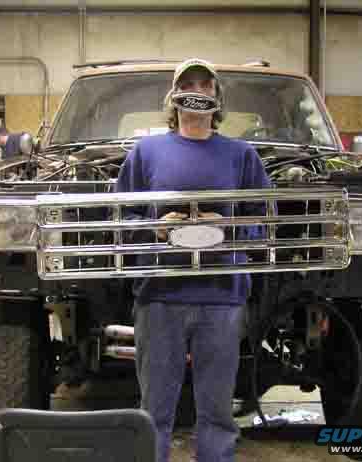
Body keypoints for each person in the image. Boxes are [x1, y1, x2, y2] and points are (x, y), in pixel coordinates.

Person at [116, 58, 270, 462]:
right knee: (154, 410)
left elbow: (265, 222)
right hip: (159, 297)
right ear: (173, 95)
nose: (197, 91)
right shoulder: (145, 152)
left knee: (217, 411)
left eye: (206, 85)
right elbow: (122, 218)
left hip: (221, 298)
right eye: (188, 84)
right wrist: (155, 227)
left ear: (217, 98)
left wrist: (229, 229)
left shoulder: (241, 155)